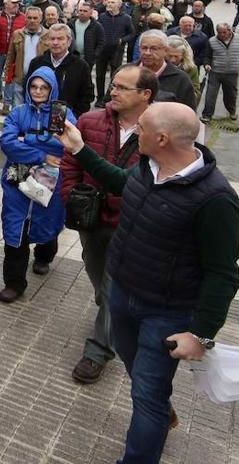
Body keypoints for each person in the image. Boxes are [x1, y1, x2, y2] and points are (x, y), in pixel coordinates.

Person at [58, 104, 239, 464]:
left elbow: (224, 273)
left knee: (147, 394)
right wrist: (80, 149)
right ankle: (158, 407)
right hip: (123, 295)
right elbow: (118, 181)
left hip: (166, 312)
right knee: (134, 367)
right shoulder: (147, 167)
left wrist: (201, 334)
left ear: (161, 138)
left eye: (140, 128)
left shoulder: (216, 199)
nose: (132, 132)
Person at [60, 65, 155, 385]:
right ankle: (115, 318)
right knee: (99, 281)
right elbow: (70, 160)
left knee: (114, 289)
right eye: (113, 85)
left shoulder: (155, 131)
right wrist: (70, 194)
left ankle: (98, 350)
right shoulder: (89, 121)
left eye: (122, 88)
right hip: (90, 220)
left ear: (145, 95)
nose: (112, 92)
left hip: (129, 225)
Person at [0, 68, 74, 302]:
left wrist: (26, 139)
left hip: (52, 181)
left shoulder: (62, 114)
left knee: (47, 221)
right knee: (14, 226)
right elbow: (8, 143)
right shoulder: (19, 112)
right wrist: (41, 154)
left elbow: (68, 145)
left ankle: (44, 255)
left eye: (44, 87)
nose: (38, 91)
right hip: (17, 178)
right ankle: (14, 282)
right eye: (34, 86)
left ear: (52, 89)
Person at [27, 23, 95, 116]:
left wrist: (74, 115)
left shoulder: (81, 66)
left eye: (60, 39)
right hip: (37, 116)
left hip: (67, 118)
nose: (55, 42)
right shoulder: (37, 63)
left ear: (69, 41)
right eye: (52, 39)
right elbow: (26, 89)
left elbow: (87, 96)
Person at [137, 29, 197, 108]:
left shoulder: (181, 79)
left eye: (154, 48)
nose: (148, 53)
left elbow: (189, 113)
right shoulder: (125, 72)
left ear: (165, 50)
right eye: (144, 48)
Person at [0, 0, 27, 107]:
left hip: (14, 53)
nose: (16, 5)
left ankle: (7, 103)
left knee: (9, 78)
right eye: (13, 3)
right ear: (6, 4)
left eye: (18, 3)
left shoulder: (23, 17)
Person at [201, 23, 239, 123]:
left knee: (231, 94)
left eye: (224, 32)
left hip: (232, 73)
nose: (222, 35)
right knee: (210, 94)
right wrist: (207, 64)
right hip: (215, 72)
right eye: (219, 32)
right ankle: (207, 115)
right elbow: (207, 55)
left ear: (230, 31)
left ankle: (232, 112)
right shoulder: (212, 41)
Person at [4, 6, 46, 110]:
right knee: (17, 108)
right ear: (25, 18)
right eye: (30, 18)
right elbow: (10, 56)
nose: (32, 21)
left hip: (39, 80)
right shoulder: (17, 34)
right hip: (19, 78)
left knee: (35, 108)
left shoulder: (47, 35)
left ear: (41, 19)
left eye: (35, 18)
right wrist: (7, 74)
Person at [95, 0, 136, 102]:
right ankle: (99, 98)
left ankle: (108, 98)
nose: (109, 4)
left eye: (112, 2)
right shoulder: (102, 16)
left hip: (117, 50)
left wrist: (123, 40)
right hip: (102, 50)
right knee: (100, 75)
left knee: (115, 76)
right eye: (108, 2)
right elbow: (97, 31)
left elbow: (132, 33)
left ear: (119, 5)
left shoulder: (126, 18)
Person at [68, 1, 105, 69]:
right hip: (72, 56)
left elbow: (101, 42)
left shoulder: (96, 26)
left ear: (91, 13)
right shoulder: (70, 24)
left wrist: (94, 55)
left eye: (85, 11)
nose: (82, 13)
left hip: (88, 59)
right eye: (80, 10)